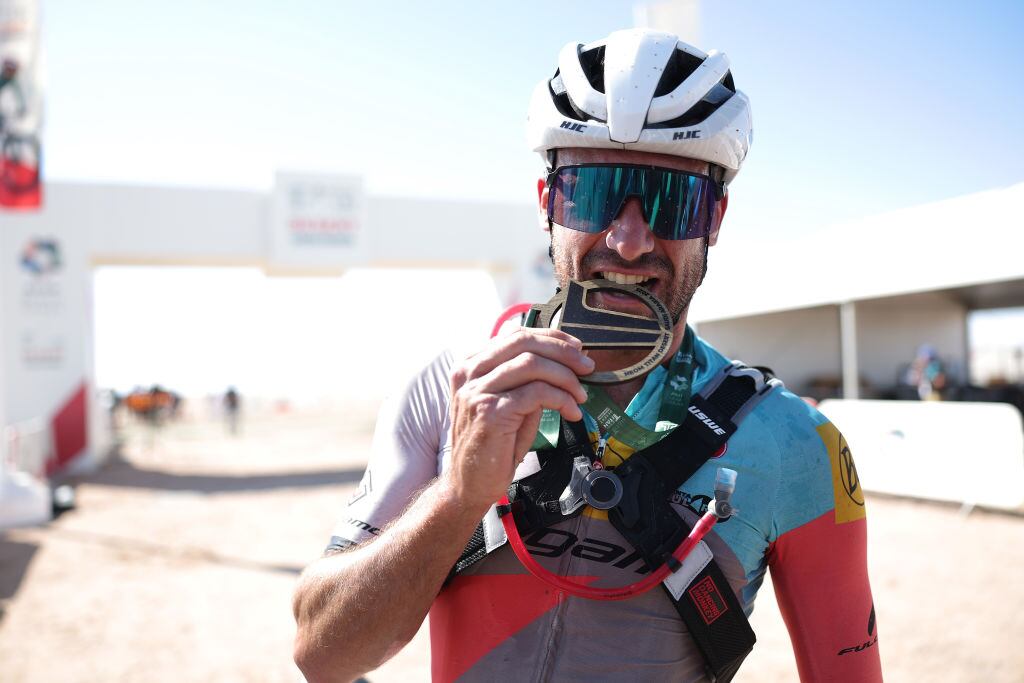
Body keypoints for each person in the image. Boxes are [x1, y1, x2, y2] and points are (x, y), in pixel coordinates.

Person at [293, 29, 882, 682]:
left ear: (715, 217)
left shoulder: (796, 443)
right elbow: (322, 652)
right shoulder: (451, 387)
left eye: (671, 201)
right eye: (595, 195)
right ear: (548, 204)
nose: (628, 242)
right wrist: (458, 498)